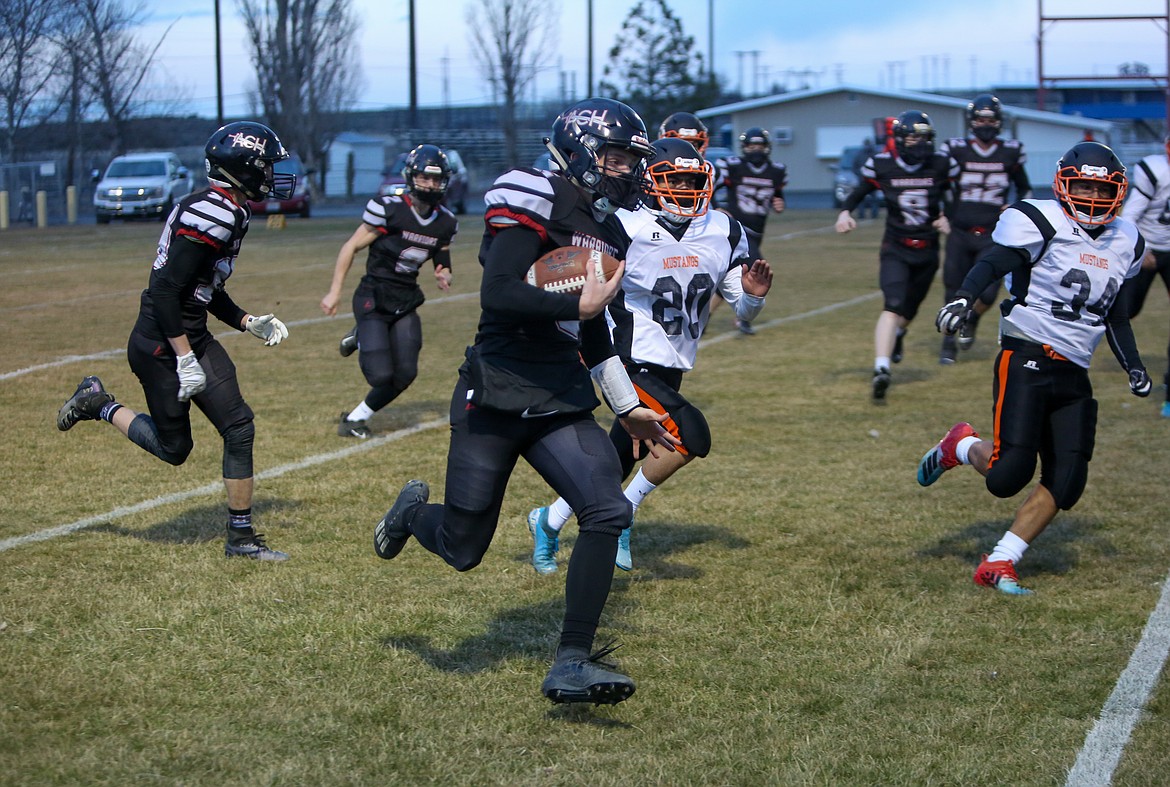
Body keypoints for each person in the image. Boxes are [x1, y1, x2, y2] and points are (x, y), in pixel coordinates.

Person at [370, 98, 679, 705]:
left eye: (629, 159)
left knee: (608, 510)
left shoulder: (610, 228)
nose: (625, 169)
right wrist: (575, 305)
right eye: (615, 156)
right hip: (497, 389)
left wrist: (624, 405)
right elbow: (500, 292)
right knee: (464, 548)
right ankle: (410, 516)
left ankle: (571, 661)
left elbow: (596, 332)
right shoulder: (531, 192)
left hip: (559, 394)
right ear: (580, 149)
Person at [526, 137, 773, 574]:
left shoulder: (723, 228)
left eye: (691, 179)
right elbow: (575, 275)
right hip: (624, 356)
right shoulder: (621, 223)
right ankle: (625, 514)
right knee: (690, 434)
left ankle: (549, 519)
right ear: (648, 181)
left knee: (620, 457)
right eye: (672, 178)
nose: (683, 187)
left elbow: (740, 300)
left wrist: (753, 298)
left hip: (672, 360)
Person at [56, 121, 296, 561]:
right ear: (241, 167)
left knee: (239, 426)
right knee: (174, 450)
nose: (271, 173)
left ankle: (240, 539)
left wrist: (245, 321)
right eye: (264, 165)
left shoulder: (229, 207)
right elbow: (165, 290)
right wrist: (183, 356)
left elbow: (200, 289)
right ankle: (97, 403)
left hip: (190, 335)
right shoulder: (216, 211)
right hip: (160, 344)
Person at [918, 141, 1151, 595]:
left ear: (1118, 194)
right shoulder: (1040, 218)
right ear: (1064, 183)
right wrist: (965, 298)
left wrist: (1134, 367)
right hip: (1027, 353)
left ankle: (1000, 560)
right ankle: (962, 445)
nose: (1091, 197)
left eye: (1101, 189)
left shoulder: (1128, 240)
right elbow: (997, 260)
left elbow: (1116, 314)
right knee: (1008, 476)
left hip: (1075, 367)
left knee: (1068, 479)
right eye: (1082, 185)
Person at [321, 144, 458, 438]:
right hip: (374, 295)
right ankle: (359, 335)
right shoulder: (389, 209)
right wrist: (335, 292)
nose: (431, 185)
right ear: (411, 177)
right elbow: (351, 247)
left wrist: (443, 272)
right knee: (380, 374)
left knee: (406, 373)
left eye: (436, 179)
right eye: (425, 178)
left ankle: (355, 419)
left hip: (406, 300)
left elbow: (442, 253)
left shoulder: (446, 221)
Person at [835, 109, 958, 402]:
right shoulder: (882, 164)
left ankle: (898, 337)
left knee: (909, 311)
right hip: (896, 247)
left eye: (924, 137)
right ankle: (882, 367)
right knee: (892, 306)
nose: (918, 143)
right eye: (913, 137)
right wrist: (845, 212)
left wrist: (946, 216)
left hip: (927, 250)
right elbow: (861, 190)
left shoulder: (940, 164)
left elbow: (955, 195)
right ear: (901, 139)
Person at [937, 94, 1031, 364]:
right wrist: (941, 213)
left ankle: (972, 317)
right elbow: (940, 183)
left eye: (990, 119)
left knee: (989, 291)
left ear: (999, 122)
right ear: (971, 121)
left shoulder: (1010, 151)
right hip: (959, 229)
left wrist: (1016, 206)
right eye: (980, 119)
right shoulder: (955, 149)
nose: (985, 123)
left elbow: (1023, 186)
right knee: (952, 287)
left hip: (993, 230)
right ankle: (947, 342)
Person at [715, 127, 787, 334]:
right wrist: (717, 208)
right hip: (739, 228)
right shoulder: (733, 166)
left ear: (767, 148)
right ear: (744, 148)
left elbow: (778, 195)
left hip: (757, 230)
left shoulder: (777, 171)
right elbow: (711, 187)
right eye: (751, 146)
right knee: (755, 268)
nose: (756, 150)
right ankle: (744, 319)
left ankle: (706, 316)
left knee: (732, 274)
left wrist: (779, 202)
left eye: (760, 146)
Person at [1118, 134, 1170, 417]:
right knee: (1128, 309)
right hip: (1149, 248)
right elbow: (1131, 215)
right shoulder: (1156, 171)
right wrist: (1142, 248)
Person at [853, 138, 880, 220]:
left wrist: (876, 175)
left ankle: (874, 214)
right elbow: (855, 167)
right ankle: (861, 214)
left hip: (873, 181)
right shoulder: (859, 155)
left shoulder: (875, 154)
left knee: (874, 199)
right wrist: (860, 174)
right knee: (861, 198)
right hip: (862, 180)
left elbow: (880, 166)